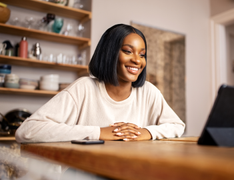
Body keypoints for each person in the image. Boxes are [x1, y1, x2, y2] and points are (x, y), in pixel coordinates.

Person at [15, 24, 185, 143]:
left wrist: (146, 132)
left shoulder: (148, 92)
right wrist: (98, 132)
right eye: (127, 51)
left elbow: (177, 126)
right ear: (109, 53)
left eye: (142, 55)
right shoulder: (83, 88)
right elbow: (27, 131)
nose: (137, 60)